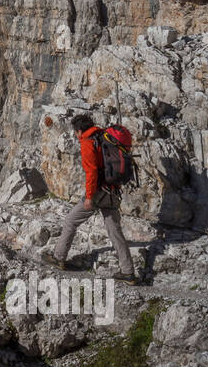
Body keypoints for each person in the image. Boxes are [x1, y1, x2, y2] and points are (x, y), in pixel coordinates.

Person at [41, 113, 138, 284]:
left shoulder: (87, 142)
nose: (76, 136)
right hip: (113, 191)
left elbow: (91, 172)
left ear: (79, 130)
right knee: (115, 231)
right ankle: (128, 272)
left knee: (71, 220)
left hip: (98, 192)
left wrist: (89, 197)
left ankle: (58, 257)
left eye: (76, 132)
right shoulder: (103, 137)